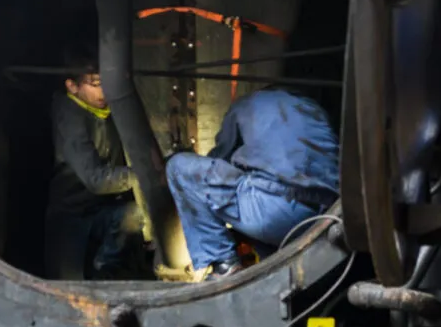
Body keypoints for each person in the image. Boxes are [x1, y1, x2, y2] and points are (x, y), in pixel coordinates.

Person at [166, 88, 339, 281]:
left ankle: (224, 265)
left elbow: (220, 156)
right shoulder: (313, 109)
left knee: (179, 168)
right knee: (257, 185)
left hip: (276, 211)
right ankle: (269, 267)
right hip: (326, 216)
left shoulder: (244, 105)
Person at [44, 53, 144, 280]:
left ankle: (104, 271)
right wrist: (144, 174)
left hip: (102, 211)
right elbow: (96, 180)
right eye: (96, 84)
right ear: (72, 86)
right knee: (70, 292)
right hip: (70, 216)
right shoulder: (69, 118)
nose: (103, 92)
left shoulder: (107, 111)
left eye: (107, 83)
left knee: (131, 215)